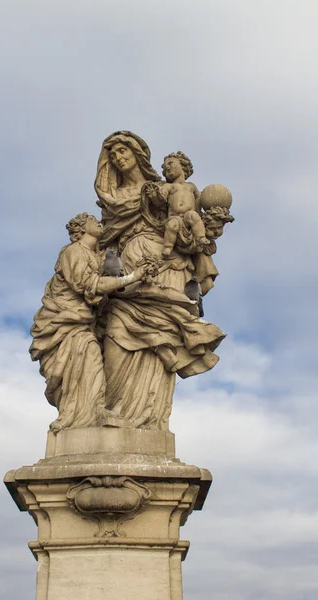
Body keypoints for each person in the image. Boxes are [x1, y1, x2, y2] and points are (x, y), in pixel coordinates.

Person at [95, 132, 225, 430]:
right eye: (113, 155)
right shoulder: (111, 200)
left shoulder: (159, 190)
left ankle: (148, 423)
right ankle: (110, 409)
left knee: (161, 340)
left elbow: (185, 228)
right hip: (126, 273)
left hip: (164, 266)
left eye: (124, 151)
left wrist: (208, 226)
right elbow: (104, 241)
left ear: (139, 154)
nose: (119, 158)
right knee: (115, 334)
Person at [29, 213, 149, 432]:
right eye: (93, 220)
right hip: (64, 322)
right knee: (78, 364)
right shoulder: (73, 251)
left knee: (90, 362)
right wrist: (132, 278)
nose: (99, 223)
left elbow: (107, 286)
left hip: (83, 323)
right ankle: (72, 416)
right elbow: (86, 284)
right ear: (82, 229)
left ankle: (91, 413)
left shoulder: (99, 257)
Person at [159, 152, 209, 257]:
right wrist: (160, 195)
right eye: (164, 168)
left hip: (188, 216)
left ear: (183, 165)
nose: (167, 168)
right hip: (175, 216)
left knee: (193, 216)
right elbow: (162, 194)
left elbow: (199, 198)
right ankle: (168, 247)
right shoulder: (169, 186)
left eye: (170, 163)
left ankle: (201, 237)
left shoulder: (191, 186)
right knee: (172, 225)